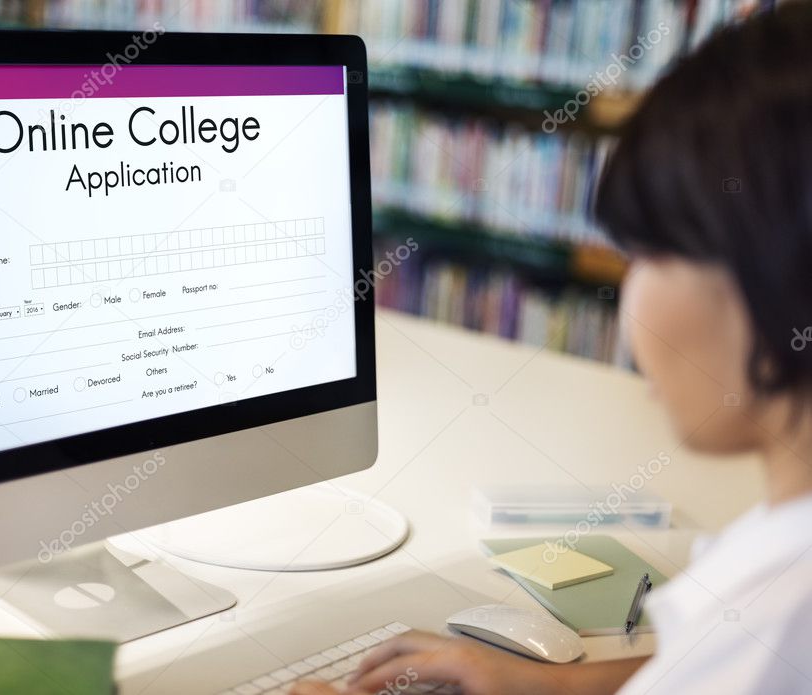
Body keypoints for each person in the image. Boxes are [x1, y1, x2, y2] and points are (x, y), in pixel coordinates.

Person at [293, 3, 812, 694]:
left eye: (649, 253)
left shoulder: (778, 614)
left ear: (772, 270)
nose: (631, 300)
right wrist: (564, 685)